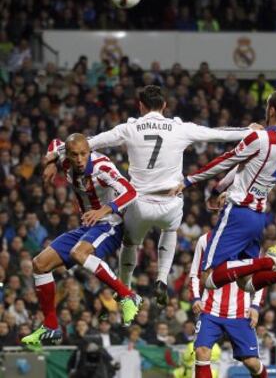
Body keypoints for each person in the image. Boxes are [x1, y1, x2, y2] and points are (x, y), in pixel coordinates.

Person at [43, 85, 260, 306]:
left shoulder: (129, 129)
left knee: (130, 244)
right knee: (170, 229)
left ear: (141, 106)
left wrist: (53, 157)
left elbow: (89, 143)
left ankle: (125, 287)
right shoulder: (180, 128)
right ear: (164, 106)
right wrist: (249, 130)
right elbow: (217, 133)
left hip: (138, 203)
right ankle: (162, 278)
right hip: (170, 201)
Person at [176, 90, 276, 294]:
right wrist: (219, 189)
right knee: (246, 283)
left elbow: (228, 159)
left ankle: (270, 261)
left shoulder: (259, 138)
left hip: (238, 212)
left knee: (209, 278)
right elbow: (244, 167)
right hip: (258, 216)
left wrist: (189, 180)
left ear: (272, 110)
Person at [21, 134, 141, 348]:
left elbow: (130, 192)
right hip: (88, 226)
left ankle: (127, 295)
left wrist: (104, 209)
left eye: (83, 154)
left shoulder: (102, 168)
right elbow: (55, 142)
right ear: (67, 154)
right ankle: (50, 327)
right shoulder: (64, 158)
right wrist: (50, 163)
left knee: (79, 253)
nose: (79, 159)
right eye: (74, 154)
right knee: (39, 264)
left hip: (111, 224)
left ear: (89, 151)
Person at [190, 232, 266, 378]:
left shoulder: (249, 240)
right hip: (210, 310)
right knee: (202, 352)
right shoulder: (205, 240)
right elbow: (195, 274)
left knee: (251, 362)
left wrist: (255, 306)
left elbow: (259, 276)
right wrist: (196, 298)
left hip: (239, 312)